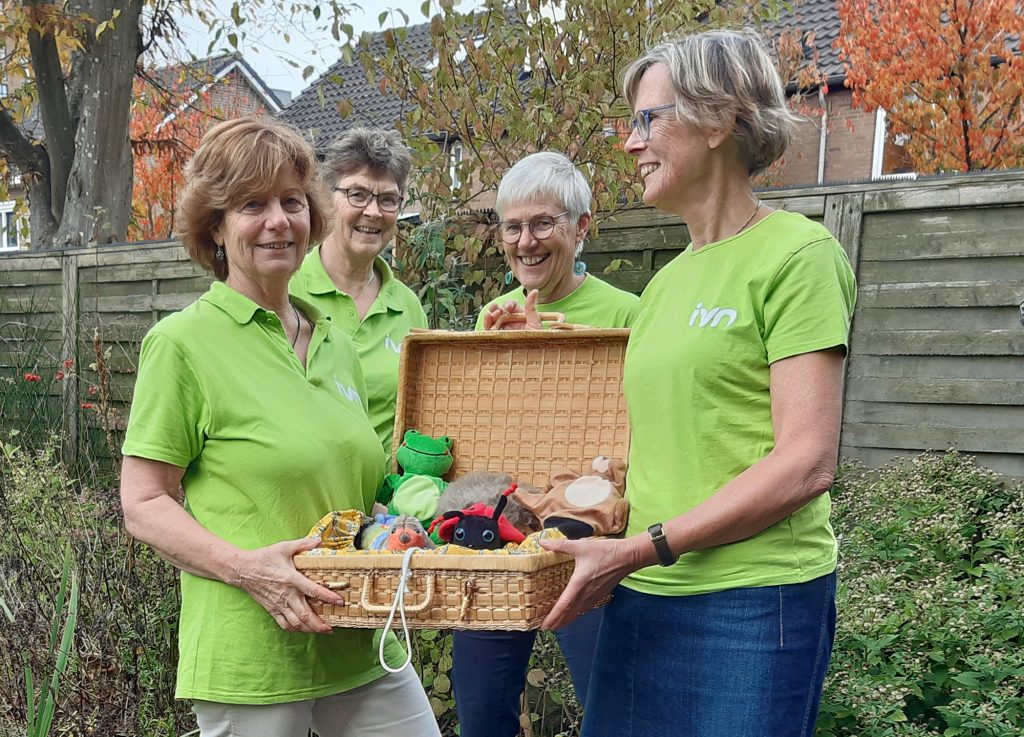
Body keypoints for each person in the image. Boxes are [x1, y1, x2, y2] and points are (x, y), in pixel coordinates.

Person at [538, 30, 857, 737]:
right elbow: (670, 441)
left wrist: (643, 546)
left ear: (718, 119)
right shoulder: (665, 283)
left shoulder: (797, 256)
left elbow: (806, 463)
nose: (630, 142)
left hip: (750, 602)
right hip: (642, 591)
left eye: (647, 119)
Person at [119, 118, 440, 737]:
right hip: (253, 656)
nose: (279, 221)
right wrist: (247, 569)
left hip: (357, 638)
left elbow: (357, 488)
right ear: (215, 226)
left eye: (292, 202)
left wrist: (399, 529)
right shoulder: (184, 344)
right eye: (251, 205)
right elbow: (142, 501)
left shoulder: (335, 341)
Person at [456, 151, 639, 737]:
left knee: (608, 706)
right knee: (482, 712)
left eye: (544, 224)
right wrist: (492, 352)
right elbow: (480, 432)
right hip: (503, 530)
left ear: (581, 227)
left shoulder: (629, 314)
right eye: (512, 226)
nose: (525, 241)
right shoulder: (493, 314)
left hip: (586, 534)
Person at [290, 127, 427, 457]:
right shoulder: (288, 291)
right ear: (327, 198)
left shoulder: (409, 308)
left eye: (388, 199)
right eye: (358, 195)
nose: (374, 212)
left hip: (391, 500)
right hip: (313, 496)